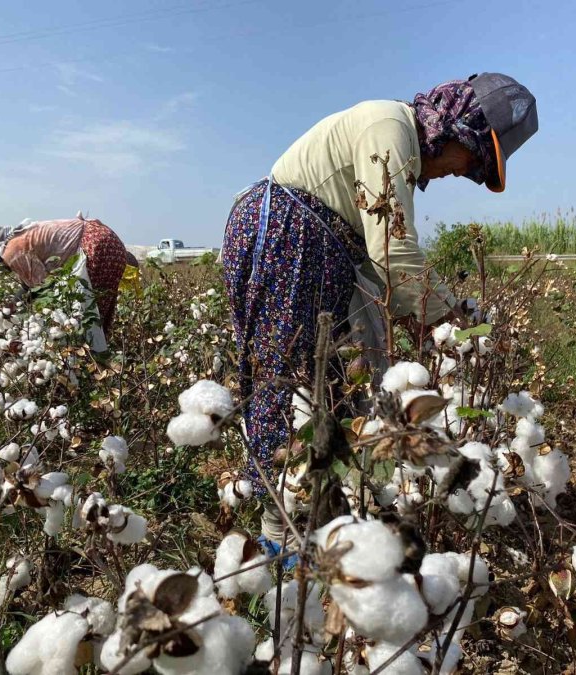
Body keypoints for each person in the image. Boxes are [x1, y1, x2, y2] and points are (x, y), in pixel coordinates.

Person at [220, 73, 539, 550]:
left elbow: (383, 263)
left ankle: (329, 524)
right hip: (286, 238)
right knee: (284, 379)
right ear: (458, 129)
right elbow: (393, 251)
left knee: (333, 389)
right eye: (470, 162)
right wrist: (452, 319)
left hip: (319, 248)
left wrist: (419, 322)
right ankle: (276, 537)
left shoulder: (402, 143)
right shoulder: (389, 126)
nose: (459, 173)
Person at [0, 214, 128, 350]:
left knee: (86, 321)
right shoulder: (17, 239)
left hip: (97, 247)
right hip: (108, 242)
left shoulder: (12, 250)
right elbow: (29, 286)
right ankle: (100, 367)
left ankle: (94, 371)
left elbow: (43, 290)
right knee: (96, 316)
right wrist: (13, 304)